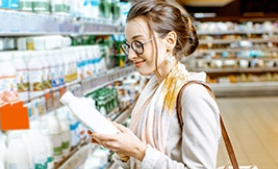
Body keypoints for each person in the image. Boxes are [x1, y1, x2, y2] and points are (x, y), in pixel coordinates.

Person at [88, 0, 221, 168]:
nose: (130, 55)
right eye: (128, 45)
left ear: (170, 41)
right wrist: (122, 148)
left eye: (138, 43)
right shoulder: (154, 88)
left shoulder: (192, 94)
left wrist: (139, 151)